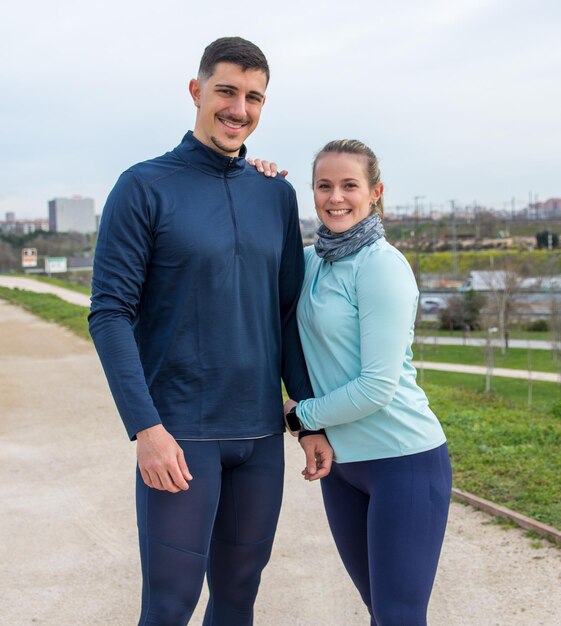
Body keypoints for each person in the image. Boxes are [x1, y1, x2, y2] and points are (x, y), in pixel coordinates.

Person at [89, 37, 332, 626]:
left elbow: (286, 313)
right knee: (169, 606)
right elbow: (109, 313)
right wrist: (146, 428)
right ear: (197, 92)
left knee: (238, 599)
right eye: (226, 91)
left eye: (254, 97)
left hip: (257, 437)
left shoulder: (275, 193)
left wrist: (306, 419)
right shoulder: (142, 187)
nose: (239, 109)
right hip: (180, 435)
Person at [283, 139, 452, 626]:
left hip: (404, 462)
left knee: (399, 616)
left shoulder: (381, 266)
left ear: (375, 192)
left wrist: (301, 417)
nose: (336, 197)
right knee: (380, 612)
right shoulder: (310, 261)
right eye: (324, 185)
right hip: (343, 468)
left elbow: (377, 387)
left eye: (349, 185)